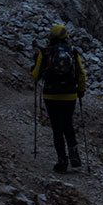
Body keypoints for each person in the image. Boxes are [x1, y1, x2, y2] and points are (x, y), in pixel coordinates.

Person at [31, 23, 86, 173]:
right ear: (65, 37)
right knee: (68, 124)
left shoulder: (46, 52)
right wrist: (81, 90)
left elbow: (35, 76)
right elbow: (81, 74)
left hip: (51, 95)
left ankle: (62, 161)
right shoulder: (73, 52)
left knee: (57, 127)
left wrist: (36, 62)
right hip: (69, 95)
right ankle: (75, 157)